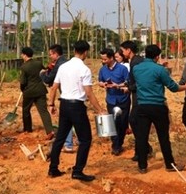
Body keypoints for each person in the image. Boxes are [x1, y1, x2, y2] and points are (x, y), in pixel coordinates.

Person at [47, 40, 107, 182]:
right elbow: (89, 93)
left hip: (64, 105)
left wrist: (51, 104)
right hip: (77, 107)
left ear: (74, 50)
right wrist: (100, 110)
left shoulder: (63, 66)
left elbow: (54, 87)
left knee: (60, 137)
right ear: (85, 52)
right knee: (85, 139)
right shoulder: (84, 69)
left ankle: (53, 168)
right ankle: (78, 171)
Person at [133, 44, 186, 174]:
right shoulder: (160, 70)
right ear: (157, 56)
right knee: (163, 137)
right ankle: (169, 164)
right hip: (157, 106)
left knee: (142, 137)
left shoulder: (136, 69)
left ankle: (142, 165)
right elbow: (173, 87)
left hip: (142, 106)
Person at [119, 40, 151, 161]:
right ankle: (142, 149)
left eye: (122, 51)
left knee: (134, 121)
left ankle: (143, 148)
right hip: (137, 95)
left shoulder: (136, 62)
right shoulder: (134, 61)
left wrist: (129, 88)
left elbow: (139, 81)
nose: (122, 53)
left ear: (129, 50)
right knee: (136, 122)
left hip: (139, 96)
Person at [40, 44, 75, 152]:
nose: (50, 56)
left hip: (66, 95)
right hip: (77, 95)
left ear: (56, 54)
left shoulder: (60, 65)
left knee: (66, 120)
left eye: (51, 54)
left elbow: (49, 80)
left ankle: (68, 144)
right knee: (77, 118)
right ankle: (79, 140)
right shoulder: (68, 62)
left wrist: (42, 74)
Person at [98, 48, 129, 156]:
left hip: (123, 99)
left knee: (123, 123)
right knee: (112, 122)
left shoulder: (123, 68)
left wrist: (118, 85)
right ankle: (115, 145)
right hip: (111, 99)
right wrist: (103, 84)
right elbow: (100, 81)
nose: (103, 61)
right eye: (102, 59)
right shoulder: (102, 70)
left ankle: (119, 142)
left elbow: (128, 82)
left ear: (111, 58)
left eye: (105, 59)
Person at [19, 47, 54, 139]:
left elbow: (23, 82)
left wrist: (22, 89)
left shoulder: (24, 66)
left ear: (25, 55)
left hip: (29, 91)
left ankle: (27, 129)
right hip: (40, 90)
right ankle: (50, 130)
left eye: (22, 54)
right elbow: (44, 71)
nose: (21, 56)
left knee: (26, 110)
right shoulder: (38, 63)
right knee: (43, 111)